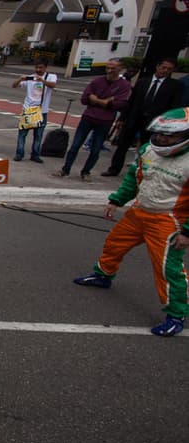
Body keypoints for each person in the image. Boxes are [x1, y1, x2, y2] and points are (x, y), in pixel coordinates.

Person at [73, 107, 189, 337]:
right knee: (114, 243)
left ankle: (176, 314)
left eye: (170, 135)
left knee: (168, 269)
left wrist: (187, 232)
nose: (163, 138)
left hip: (169, 220)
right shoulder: (148, 150)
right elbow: (133, 178)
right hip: (139, 211)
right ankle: (103, 275)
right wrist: (116, 200)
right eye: (160, 133)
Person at [102, 57, 183, 177]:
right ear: (157, 67)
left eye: (169, 69)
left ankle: (142, 170)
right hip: (134, 119)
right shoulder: (143, 82)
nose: (165, 70)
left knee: (148, 148)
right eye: (163, 67)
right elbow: (131, 102)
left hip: (154, 122)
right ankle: (114, 169)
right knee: (122, 145)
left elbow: (174, 106)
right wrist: (122, 118)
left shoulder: (175, 86)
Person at [54, 58, 131, 182]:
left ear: (120, 69)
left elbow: (120, 104)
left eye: (113, 68)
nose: (109, 71)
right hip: (88, 117)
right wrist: (106, 101)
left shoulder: (124, 85)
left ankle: (86, 172)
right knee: (75, 145)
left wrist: (97, 100)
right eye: (108, 67)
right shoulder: (97, 81)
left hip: (105, 121)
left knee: (95, 149)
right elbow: (85, 98)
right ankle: (65, 169)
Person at [13, 59, 58, 162]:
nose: (38, 70)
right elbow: (14, 85)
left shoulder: (50, 77)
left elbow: (53, 85)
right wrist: (20, 79)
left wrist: (41, 80)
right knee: (22, 133)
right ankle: (19, 153)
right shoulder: (30, 78)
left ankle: (35, 154)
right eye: (37, 67)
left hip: (41, 111)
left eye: (41, 68)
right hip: (28, 109)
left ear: (45, 67)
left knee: (38, 134)